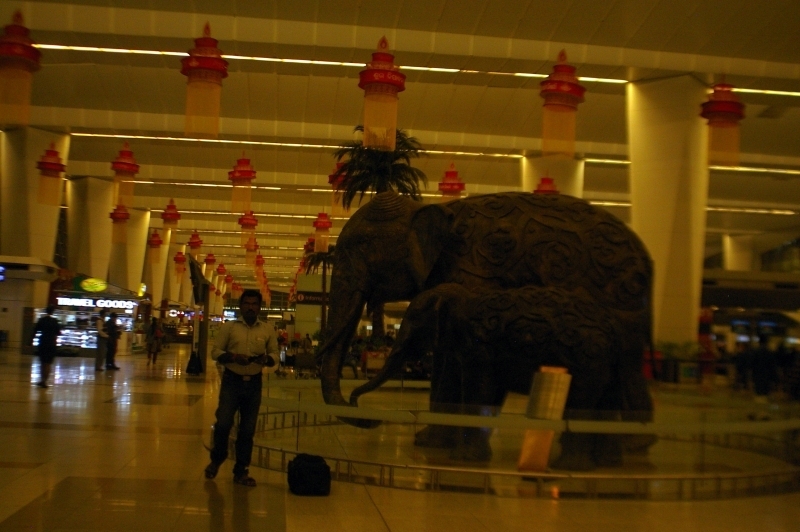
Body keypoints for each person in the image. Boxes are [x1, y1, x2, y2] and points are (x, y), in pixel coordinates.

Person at [204, 289, 278, 487]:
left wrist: (266, 360)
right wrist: (234, 357)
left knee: (247, 429)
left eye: (254, 304)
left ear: (260, 307)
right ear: (241, 306)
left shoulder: (267, 329)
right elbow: (215, 352)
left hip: (254, 383)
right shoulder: (229, 327)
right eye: (247, 303)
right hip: (232, 381)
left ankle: (241, 470)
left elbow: (275, 354)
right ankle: (217, 459)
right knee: (223, 423)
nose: (251, 307)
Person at [32, 305, 61, 388]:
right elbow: (59, 332)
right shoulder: (55, 321)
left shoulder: (41, 320)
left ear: (46, 311)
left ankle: (42, 380)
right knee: (48, 363)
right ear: (53, 312)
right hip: (52, 343)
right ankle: (45, 381)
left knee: (42, 362)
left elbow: (35, 331)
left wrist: (30, 342)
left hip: (43, 342)